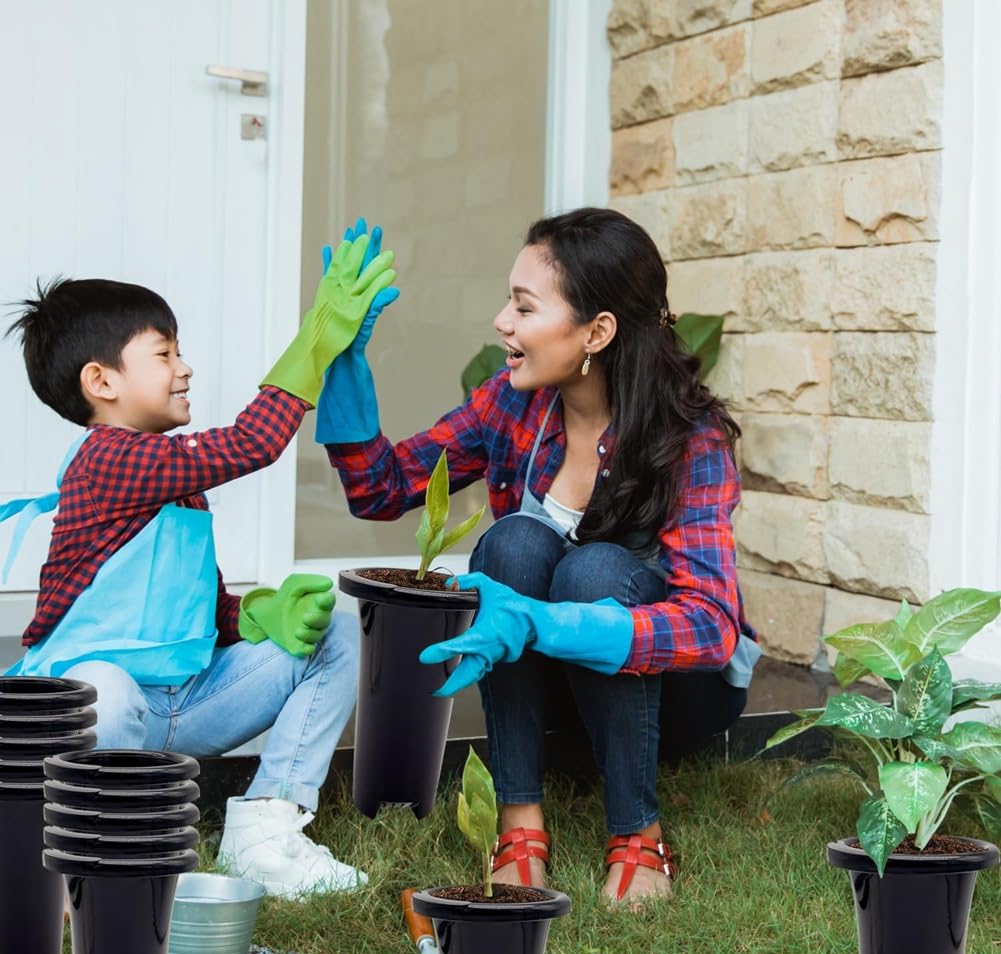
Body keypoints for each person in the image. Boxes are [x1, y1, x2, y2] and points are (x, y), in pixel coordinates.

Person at [318, 209, 759, 906]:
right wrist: (341, 358)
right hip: (556, 683)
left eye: (524, 306)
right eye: (508, 301)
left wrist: (540, 623)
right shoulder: (513, 403)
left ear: (596, 332)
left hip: (676, 695)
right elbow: (382, 488)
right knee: (513, 542)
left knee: (593, 569)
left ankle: (637, 830)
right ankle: (519, 822)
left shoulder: (687, 438)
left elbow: (710, 628)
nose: (502, 322)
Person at [1, 233, 397, 898]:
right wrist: (313, 342)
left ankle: (266, 830)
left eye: (178, 350)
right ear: (101, 381)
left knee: (337, 631)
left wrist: (262, 614)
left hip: (180, 704)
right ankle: (92, 858)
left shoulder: (175, 481)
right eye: (163, 354)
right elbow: (252, 442)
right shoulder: (108, 459)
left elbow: (205, 615)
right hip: (93, 726)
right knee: (105, 685)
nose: (184, 368)